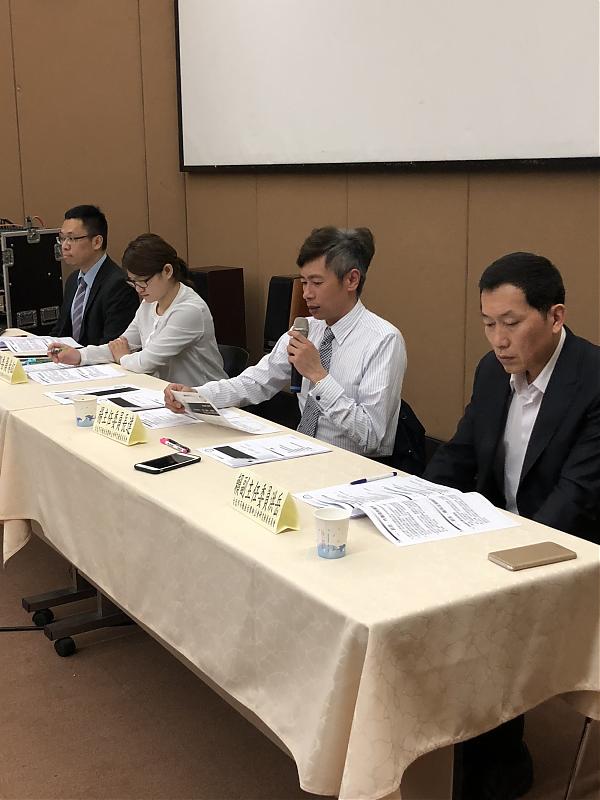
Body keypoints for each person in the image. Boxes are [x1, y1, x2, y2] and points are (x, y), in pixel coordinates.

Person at [424, 251, 600, 800]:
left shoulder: (594, 380)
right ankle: (464, 749)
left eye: (511, 323)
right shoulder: (491, 370)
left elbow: (576, 499)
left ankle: (496, 764)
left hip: (572, 547)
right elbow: (460, 454)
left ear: (555, 316)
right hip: (497, 526)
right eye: (487, 323)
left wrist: (500, 561)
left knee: (478, 614)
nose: (498, 340)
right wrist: (413, 504)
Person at [165, 226, 407, 457]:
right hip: (301, 452)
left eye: (317, 283)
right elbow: (255, 382)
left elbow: (372, 436)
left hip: (354, 466)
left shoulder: (383, 340)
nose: (306, 293)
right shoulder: (305, 328)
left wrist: (318, 376)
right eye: (304, 282)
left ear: (351, 280)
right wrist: (196, 395)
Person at [48, 233, 227, 386]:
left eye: (143, 281)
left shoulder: (189, 310)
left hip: (202, 398)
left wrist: (123, 358)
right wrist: (79, 355)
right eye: (133, 282)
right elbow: (121, 345)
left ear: (167, 271)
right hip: (166, 394)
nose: (139, 289)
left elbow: (144, 362)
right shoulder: (150, 301)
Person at [51, 205, 139, 345]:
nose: (65, 246)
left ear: (97, 242)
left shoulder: (119, 285)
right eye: (62, 238)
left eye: (72, 238)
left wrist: (77, 355)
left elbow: (113, 344)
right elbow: (61, 331)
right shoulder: (73, 280)